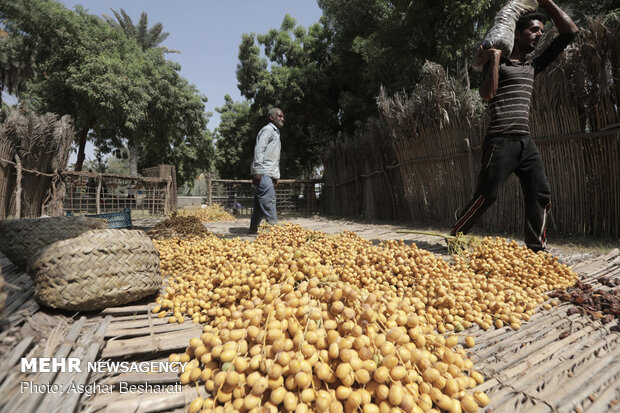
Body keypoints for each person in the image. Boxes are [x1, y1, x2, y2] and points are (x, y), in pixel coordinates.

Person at [450, 0, 578, 252]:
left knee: (540, 191)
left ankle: (535, 248)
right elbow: (486, 94)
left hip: (525, 141)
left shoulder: (533, 65)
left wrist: (545, 3)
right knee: (488, 195)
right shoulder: (498, 61)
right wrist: (496, 59)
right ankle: (457, 233)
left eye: (541, 30)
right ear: (516, 34)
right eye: (533, 30)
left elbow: (570, 33)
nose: (539, 34)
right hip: (500, 140)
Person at [249, 108, 284, 233]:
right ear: (271, 117)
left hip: (268, 173)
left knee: (260, 202)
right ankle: (274, 230)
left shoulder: (275, 132)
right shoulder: (268, 130)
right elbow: (259, 150)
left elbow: (273, 157)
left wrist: (275, 175)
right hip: (263, 172)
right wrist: (257, 171)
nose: (282, 118)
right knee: (269, 200)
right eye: (279, 116)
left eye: (282, 117)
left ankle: (253, 228)